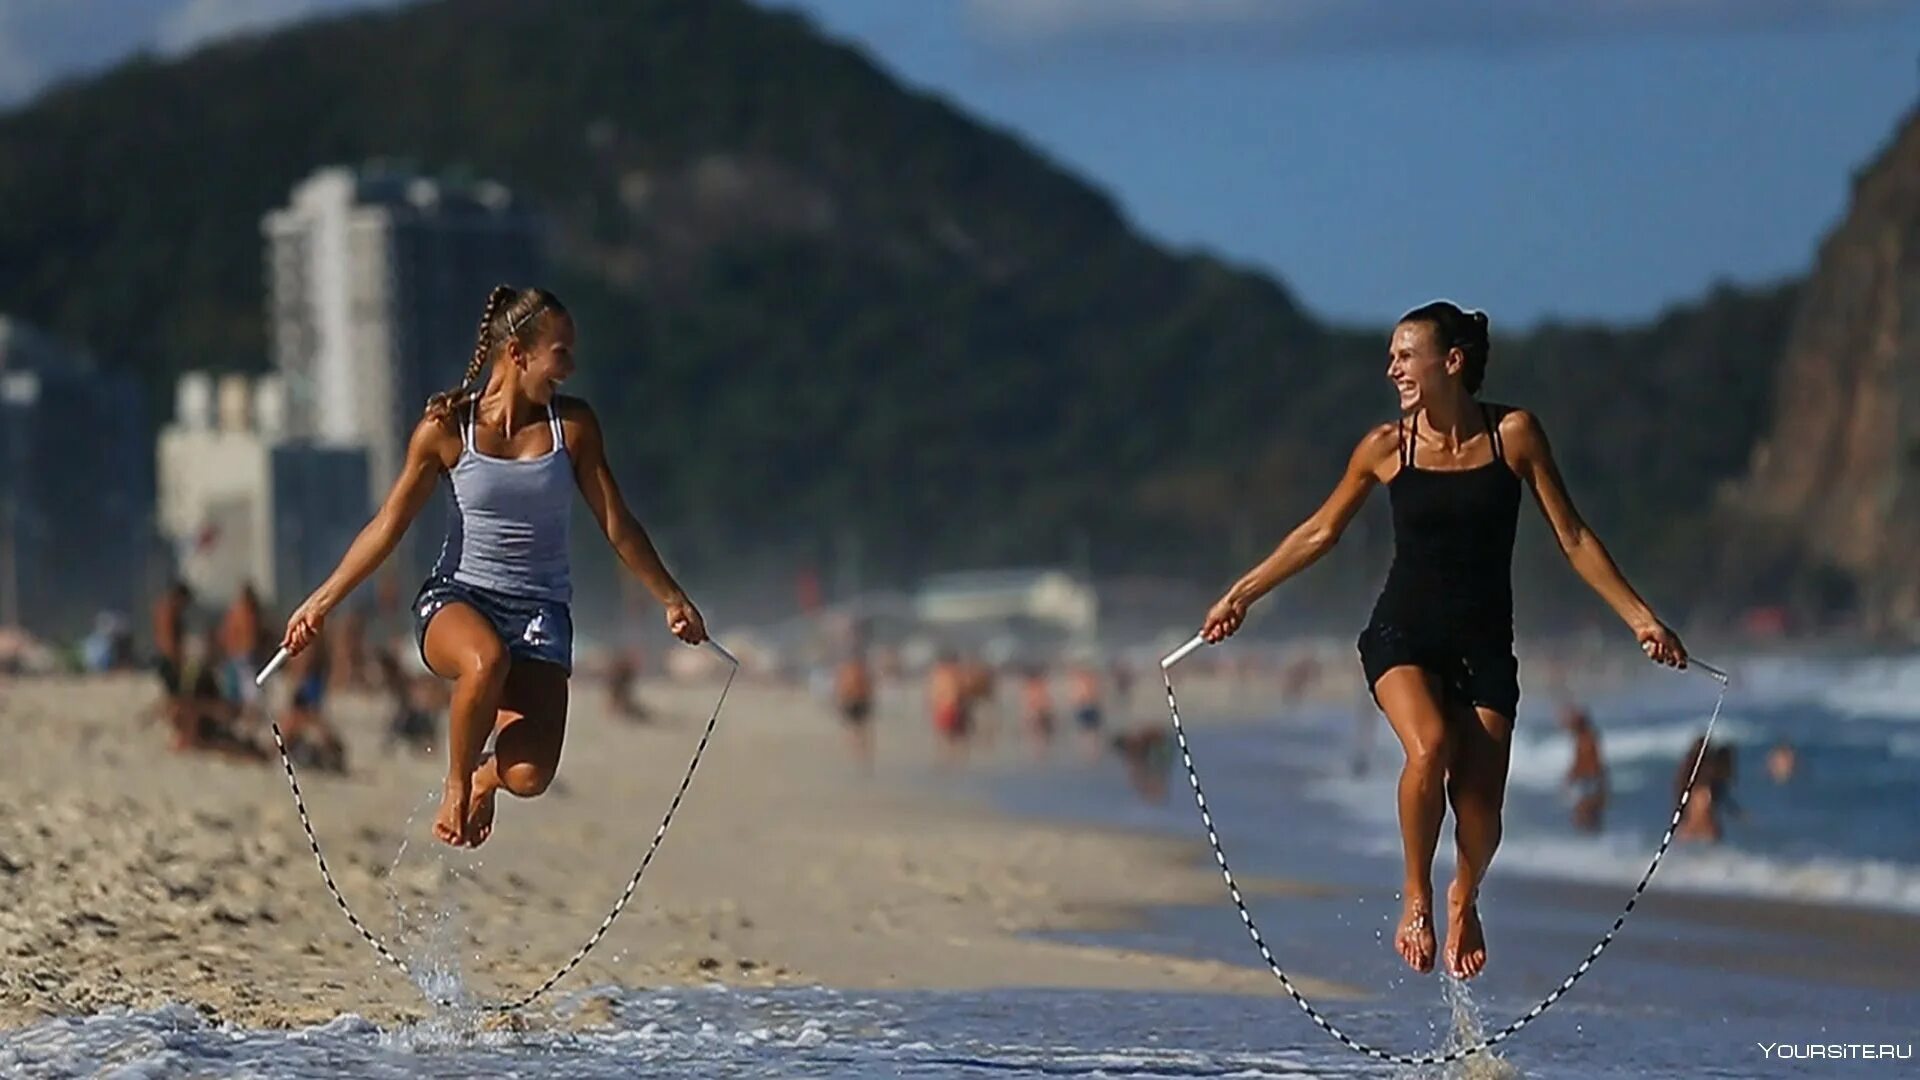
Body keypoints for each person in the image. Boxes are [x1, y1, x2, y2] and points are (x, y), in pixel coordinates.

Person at [1198, 300, 1688, 981]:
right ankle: (1417, 896)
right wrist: (1242, 594)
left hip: (1485, 644)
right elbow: (1319, 532)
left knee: (1482, 817)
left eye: (1405, 355)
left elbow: (1572, 537)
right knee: (1427, 746)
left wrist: (1642, 619)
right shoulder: (1385, 447)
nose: (1392, 367)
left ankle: (1464, 893)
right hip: (1403, 631)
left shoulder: (1511, 436)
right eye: (1392, 356)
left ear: (1449, 362)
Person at [277, 285, 708, 848]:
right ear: (518, 353)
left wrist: (671, 598)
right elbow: (388, 527)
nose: (571, 367)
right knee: (486, 659)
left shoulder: (572, 428)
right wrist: (321, 603)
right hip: (459, 599)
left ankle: (484, 775)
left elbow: (617, 523)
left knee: (530, 776)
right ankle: (455, 784)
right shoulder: (447, 429)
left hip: (541, 613)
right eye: (561, 352)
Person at [1561, 704, 1607, 832]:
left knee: (1585, 812)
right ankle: (1590, 841)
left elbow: (1588, 762)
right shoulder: (1584, 738)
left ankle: (1590, 840)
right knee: (1586, 813)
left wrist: (1571, 776)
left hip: (1589, 779)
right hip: (1589, 779)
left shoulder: (1586, 739)